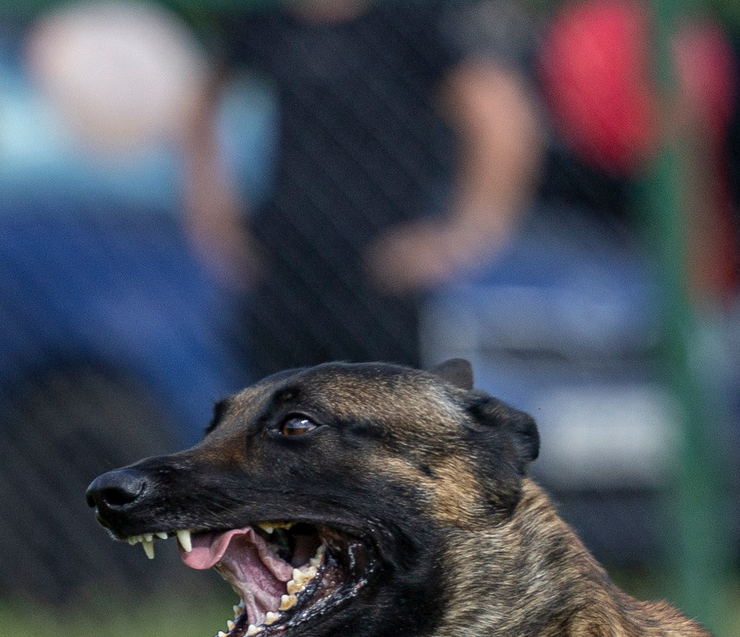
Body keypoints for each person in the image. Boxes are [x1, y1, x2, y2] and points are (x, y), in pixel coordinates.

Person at [181, 0, 541, 379]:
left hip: (380, 272)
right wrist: (211, 212)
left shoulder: (417, 22)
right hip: (283, 267)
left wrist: (467, 234)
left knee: (373, 421)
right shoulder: (268, 23)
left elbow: (503, 122)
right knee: (276, 415)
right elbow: (202, 105)